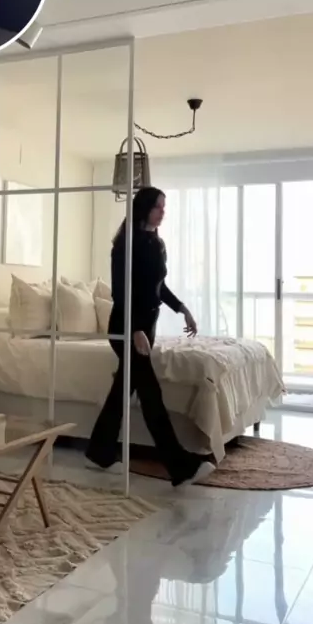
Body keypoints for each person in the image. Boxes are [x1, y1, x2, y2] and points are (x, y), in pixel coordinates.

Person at [86, 185, 216, 487]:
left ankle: (98, 451)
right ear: (144, 208)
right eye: (158, 207)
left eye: (164, 207)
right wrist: (134, 330)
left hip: (147, 328)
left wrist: (182, 308)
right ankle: (180, 466)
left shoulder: (156, 243)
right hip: (126, 328)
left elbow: (159, 286)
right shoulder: (125, 245)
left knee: (121, 392)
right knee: (150, 393)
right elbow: (121, 293)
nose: (162, 212)